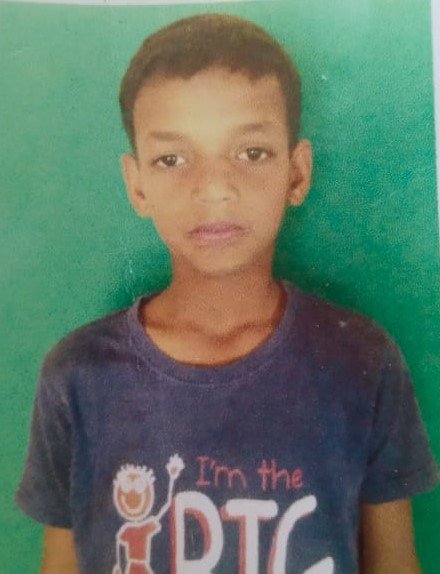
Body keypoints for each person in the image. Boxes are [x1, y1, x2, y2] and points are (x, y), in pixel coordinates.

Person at [15, 13, 438, 574]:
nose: (213, 187)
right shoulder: (77, 377)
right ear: (137, 184)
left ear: (297, 173)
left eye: (251, 152)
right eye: (172, 159)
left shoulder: (362, 361)